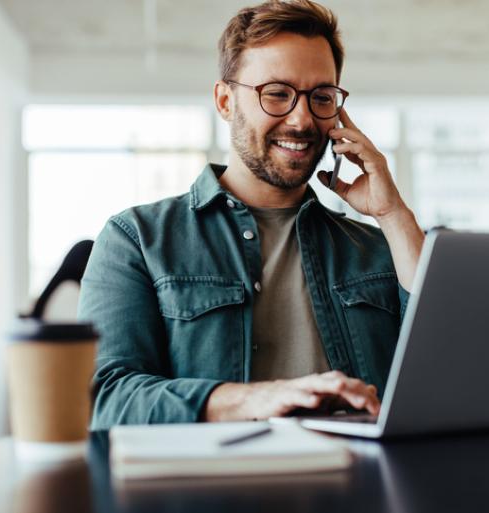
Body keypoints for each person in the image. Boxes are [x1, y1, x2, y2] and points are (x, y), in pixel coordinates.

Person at [78, 0, 424, 429]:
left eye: (321, 97)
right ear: (225, 100)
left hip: (362, 488)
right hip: (211, 490)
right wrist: (258, 398)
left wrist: (393, 214)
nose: (302, 120)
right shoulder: (137, 239)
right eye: (277, 93)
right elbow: (102, 398)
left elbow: (449, 370)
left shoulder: (376, 248)